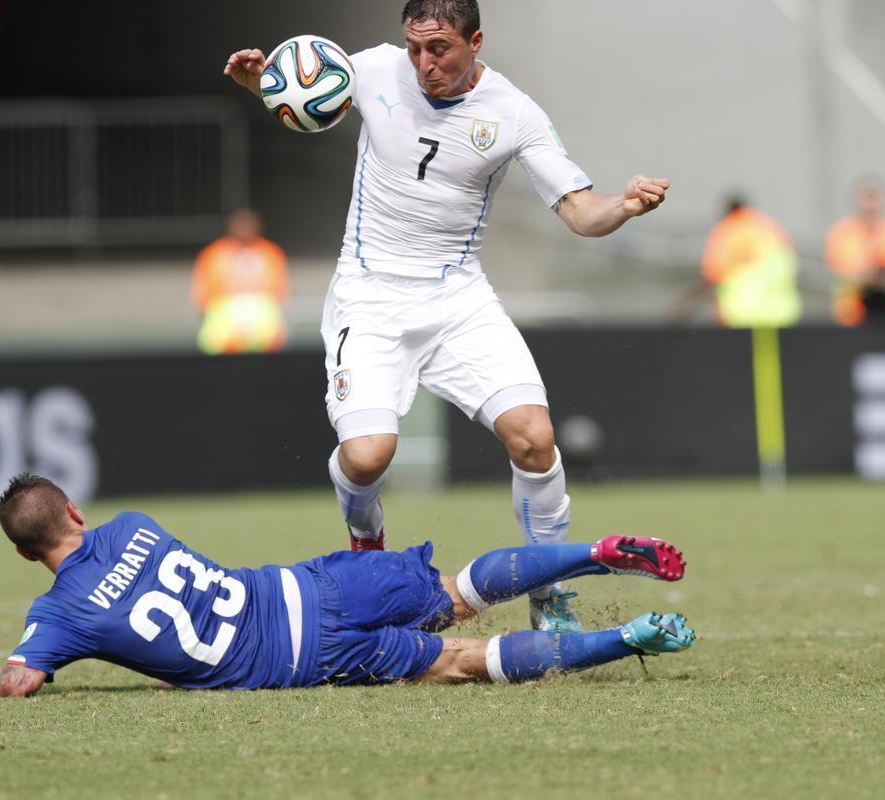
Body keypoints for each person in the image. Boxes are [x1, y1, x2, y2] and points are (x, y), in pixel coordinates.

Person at [223, 0, 670, 633]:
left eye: (440, 49)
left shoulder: (514, 114)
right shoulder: (376, 69)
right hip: (369, 296)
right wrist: (264, 85)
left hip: (457, 298)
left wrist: (622, 205)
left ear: (475, 41)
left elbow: (579, 212)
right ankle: (365, 544)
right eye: (414, 47)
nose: (423, 62)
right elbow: (311, 90)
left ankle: (553, 594)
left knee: (535, 440)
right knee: (368, 457)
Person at [0, 474, 694, 697]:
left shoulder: (58, 612)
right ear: (76, 513)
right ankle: (591, 551)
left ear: (28, 555)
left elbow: (25, 679)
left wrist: (1, 682)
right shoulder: (133, 526)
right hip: (312, 585)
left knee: (464, 659)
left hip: (301, 658)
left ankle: (624, 640)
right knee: (460, 586)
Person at [672, 196, 801, 328]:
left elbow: (714, 274)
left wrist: (687, 303)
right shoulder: (769, 227)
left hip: (742, 313)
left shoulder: (730, 230)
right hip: (781, 314)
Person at [191, 208, 289, 354]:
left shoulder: (271, 252)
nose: (244, 228)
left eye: (248, 224)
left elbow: (278, 294)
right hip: (224, 308)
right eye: (239, 224)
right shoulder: (213, 253)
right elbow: (202, 296)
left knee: (269, 332)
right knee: (216, 336)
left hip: (260, 308)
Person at [824, 180, 885, 326]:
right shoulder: (842, 234)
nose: (870, 205)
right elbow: (841, 274)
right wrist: (868, 277)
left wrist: (883, 276)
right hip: (852, 315)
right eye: (867, 198)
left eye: (874, 198)